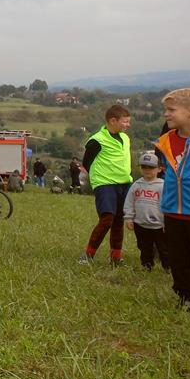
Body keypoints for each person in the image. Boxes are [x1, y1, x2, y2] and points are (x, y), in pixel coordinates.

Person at [79, 104, 132, 267]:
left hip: (125, 183)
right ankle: (88, 255)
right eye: (125, 122)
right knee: (107, 219)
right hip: (105, 184)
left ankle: (115, 257)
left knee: (118, 221)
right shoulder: (96, 140)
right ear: (113, 121)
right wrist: (98, 177)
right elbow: (86, 163)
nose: (128, 125)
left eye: (129, 121)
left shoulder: (125, 138)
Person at [154, 88, 190, 309]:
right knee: (178, 258)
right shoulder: (166, 140)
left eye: (171, 110)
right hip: (172, 211)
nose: (166, 114)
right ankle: (184, 296)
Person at [124, 151, 166, 272]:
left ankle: (168, 267)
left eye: (151, 167)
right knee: (144, 247)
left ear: (159, 169)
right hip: (140, 224)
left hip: (159, 225)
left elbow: (168, 205)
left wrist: (167, 222)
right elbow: (129, 202)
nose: (147, 170)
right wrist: (128, 218)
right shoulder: (136, 185)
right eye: (144, 167)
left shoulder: (163, 185)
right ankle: (147, 266)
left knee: (164, 248)